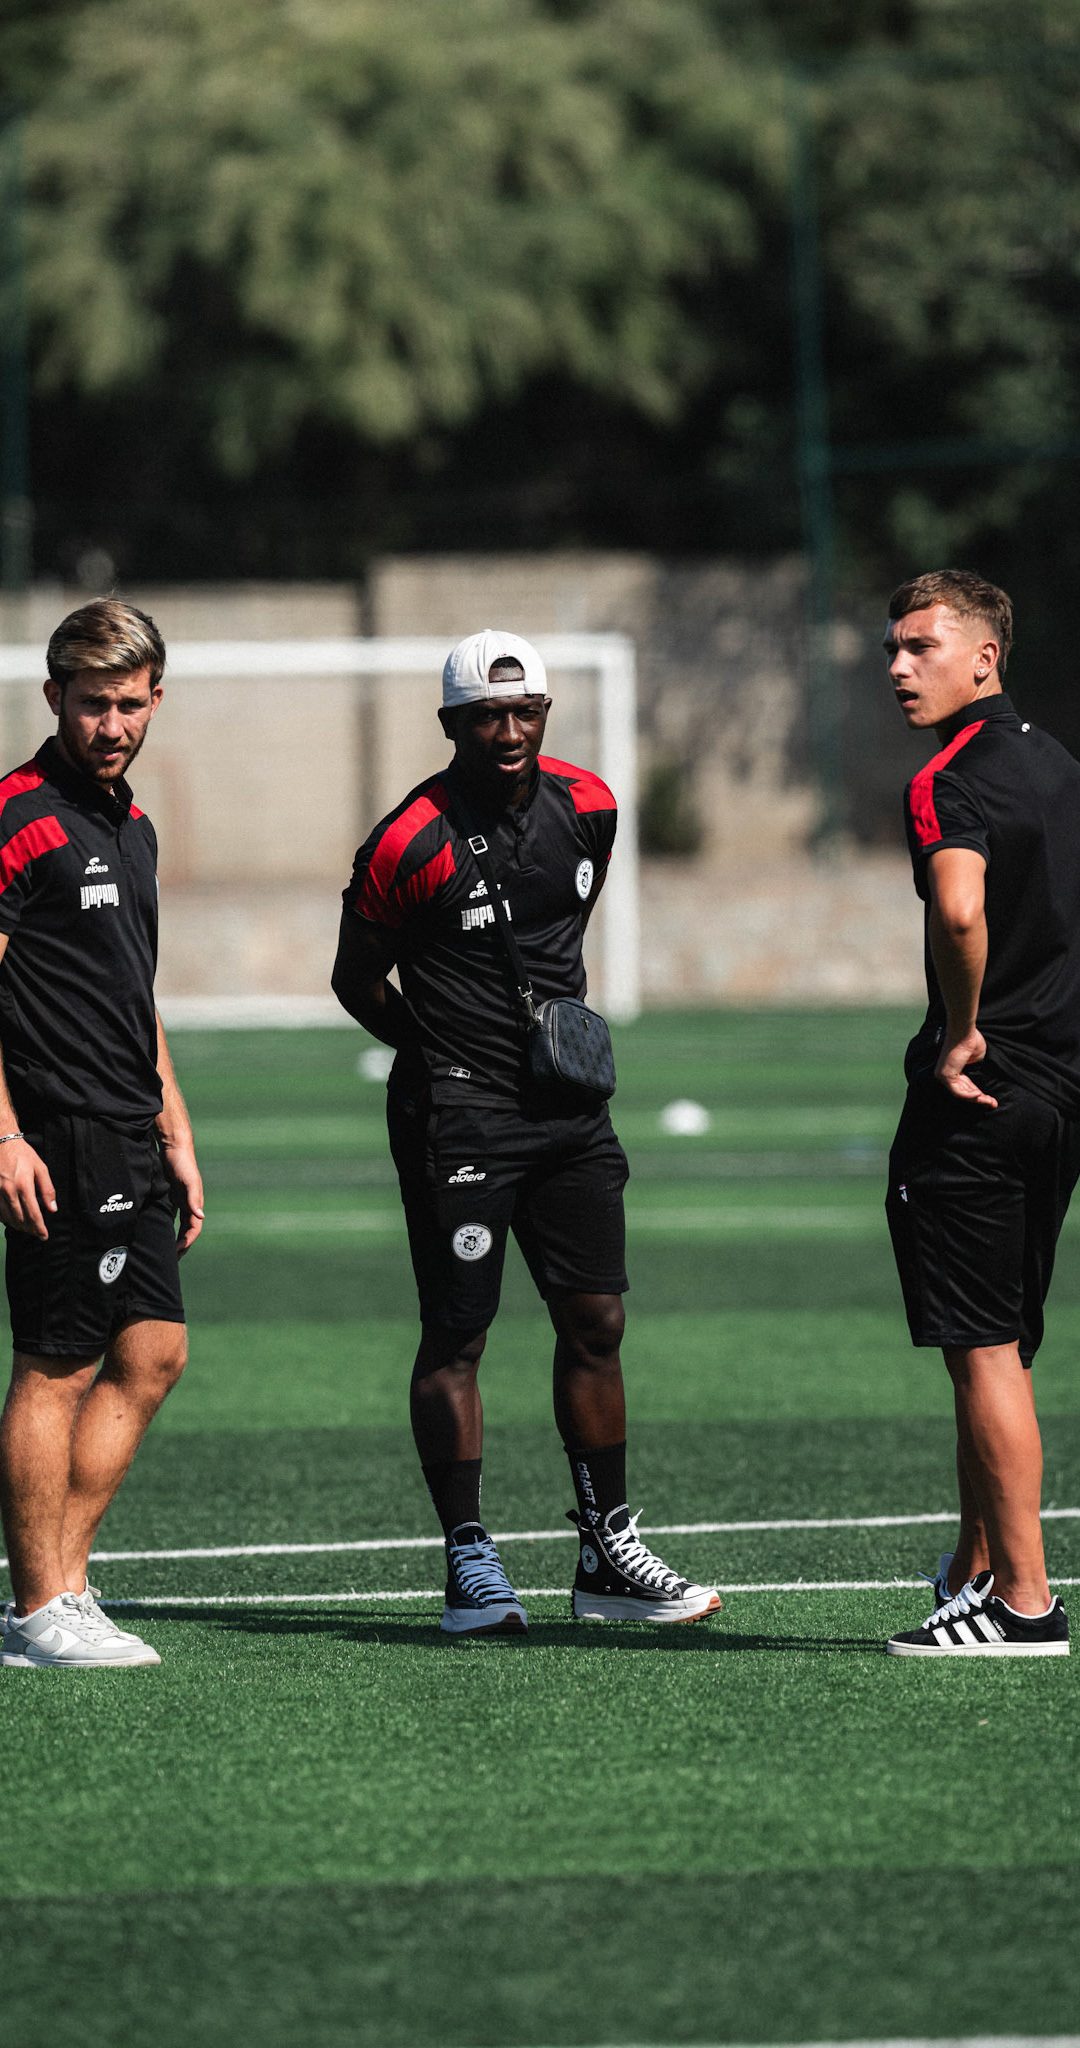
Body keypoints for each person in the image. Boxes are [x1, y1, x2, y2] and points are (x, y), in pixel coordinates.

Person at [332, 628, 719, 1635]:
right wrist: (441, 1053)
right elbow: (354, 977)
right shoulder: (406, 840)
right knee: (458, 1334)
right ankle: (469, 1559)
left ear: (545, 713)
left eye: (525, 712)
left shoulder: (590, 805)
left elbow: (559, 938)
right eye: (487, 717)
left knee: (597, 1321)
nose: (509, 732)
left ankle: (605, 1554)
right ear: (451, 723)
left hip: (569, 1110)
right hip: (459, 1113)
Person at [880, 570, 1080, 1657]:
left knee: (982, 1350)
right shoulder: (1061, 766)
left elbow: (959, 911)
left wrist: (963, 1029)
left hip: (978, 1098)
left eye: (921, 646)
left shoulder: (947, 779)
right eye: (892, 648)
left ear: (984, 658)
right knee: (997, 1346)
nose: (898, 667)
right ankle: (975, 1571)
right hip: (1063, 1101)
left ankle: (1024, 1602)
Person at [0, 599, 204, 1669]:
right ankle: (35, 1608)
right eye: (93, 703)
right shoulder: (9, 818)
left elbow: (135, 991)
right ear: (54, 696)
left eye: (130, 704)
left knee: (153, 1353)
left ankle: (68, 1584)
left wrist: (175, 1122)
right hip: (60, 1131)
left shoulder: (133, 825)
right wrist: (0, 1136)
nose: (112, 724)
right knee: (55, 1366)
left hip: (133, 1128)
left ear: (156, 700)